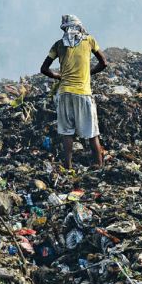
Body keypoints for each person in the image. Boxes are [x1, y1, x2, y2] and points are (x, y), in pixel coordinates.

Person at [40, 14, 107, 169]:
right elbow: (103, 63)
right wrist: (89, 72)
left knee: (67, 132)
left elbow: (44, 69)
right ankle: (98, 164)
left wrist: (58, 76)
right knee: (92, 132)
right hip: (83, 92)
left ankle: (68, 166)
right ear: (79, 26)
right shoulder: (89, 40)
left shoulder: (58, 45)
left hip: (63, 93)